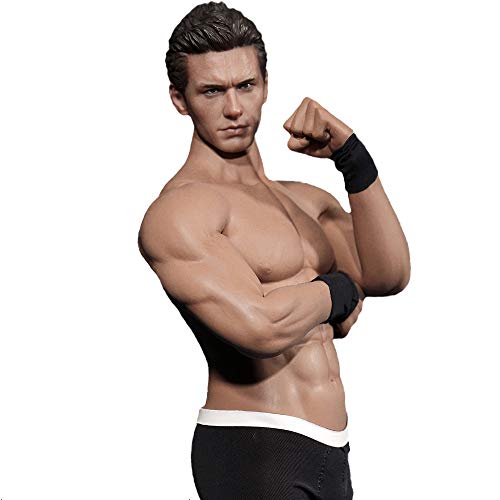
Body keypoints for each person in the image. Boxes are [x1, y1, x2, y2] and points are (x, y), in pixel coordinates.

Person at [138, 2, 411, 498]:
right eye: (212, 91)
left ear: (265, 85)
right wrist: (338, 292)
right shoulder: (181, 211)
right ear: (180, 99)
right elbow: (261, 328)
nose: (234, 109)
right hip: (253, 445)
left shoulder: (304, 200)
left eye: (246, 86)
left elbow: (389, 274)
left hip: (332, 445)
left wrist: (353, 159)